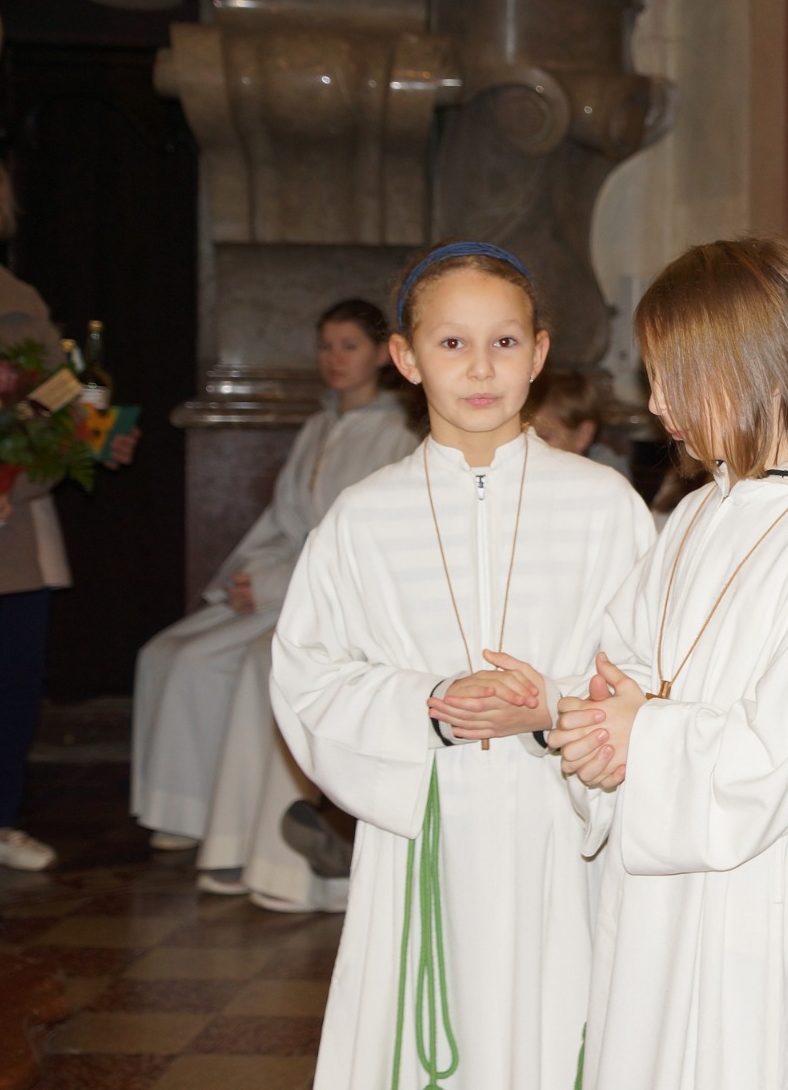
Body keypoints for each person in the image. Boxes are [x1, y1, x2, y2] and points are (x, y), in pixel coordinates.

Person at [270, 241, 653, 1089]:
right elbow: (308, 678)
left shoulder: (602, 507)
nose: (481, 368)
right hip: (425, 827)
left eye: (504, 342)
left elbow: (646, 669)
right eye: (451, 343)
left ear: (539, 354)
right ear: (405, 358)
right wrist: (433, 702)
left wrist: (550, 708)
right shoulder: (363, 518)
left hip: (560, 827)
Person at [549, 237, 788, 1090]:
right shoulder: (692, 517)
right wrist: (598, 731)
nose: (656, 402)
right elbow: (619, 666)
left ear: (761, 369)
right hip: (658, 883)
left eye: (676, 377)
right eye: (653, 377)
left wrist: (642, 735)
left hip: (765, 885)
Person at [132, 301, 416, 855]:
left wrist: (274, 585)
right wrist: (248, 576)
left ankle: (216, 821)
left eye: (349, 346)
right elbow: (284, 521)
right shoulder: (318, 424)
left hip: (333, 596)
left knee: (204, 662)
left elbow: (369, 542)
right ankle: (183, 807)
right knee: (162, 653)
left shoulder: (396, 434)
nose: (334, 359)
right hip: (287, 580)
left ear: (384, 355)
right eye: (325, 346)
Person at [0, 141, 133, 883]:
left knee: (12, 683)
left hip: (12, 528)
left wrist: (69, 452)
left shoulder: (20, 301)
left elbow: (58, 405)